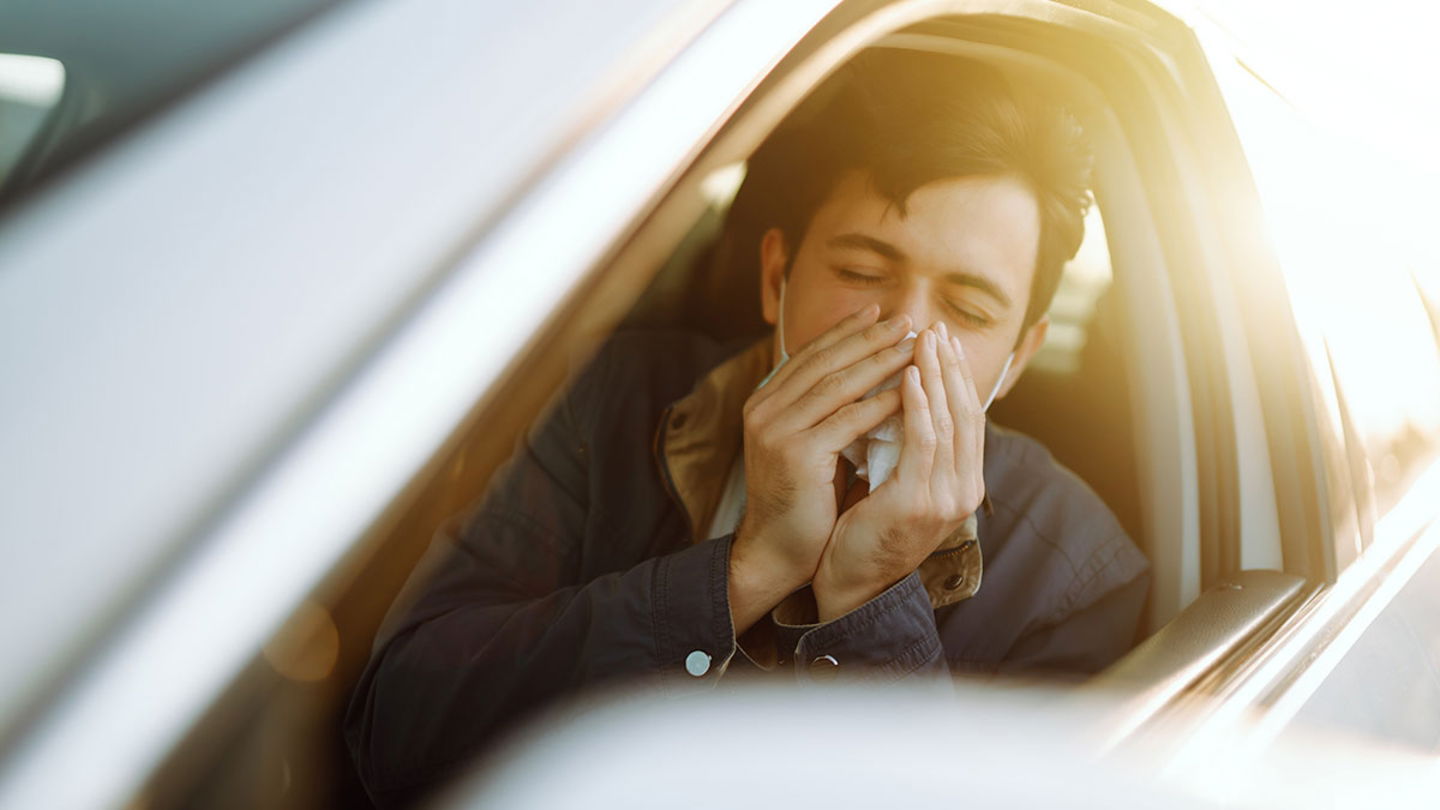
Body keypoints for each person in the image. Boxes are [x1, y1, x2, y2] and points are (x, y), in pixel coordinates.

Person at [345, 49, 1149, 807]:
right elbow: (397, 735)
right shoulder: (609, 401)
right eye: (863, 273)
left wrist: (870, 598)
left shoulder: (1078, 576)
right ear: (776, 277)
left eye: (969, 311)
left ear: (1017, 358)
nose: (906, 338)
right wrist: (745, 572)